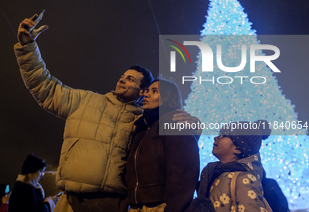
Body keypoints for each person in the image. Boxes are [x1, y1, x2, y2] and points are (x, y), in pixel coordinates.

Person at [15, 14, 194, 212]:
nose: (123, 80)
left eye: (131, 79)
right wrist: (28, 48)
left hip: (114, 205)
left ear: (141, 91)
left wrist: (193, 124)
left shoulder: (143, 122)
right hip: (71, 203)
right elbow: (45, 87)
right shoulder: (84, 101)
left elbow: (172, 148)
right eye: (123, 76)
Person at [126, 79, 200, 212]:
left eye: (155, 91)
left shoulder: (175, 122)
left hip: (160, 206)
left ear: (168, 97)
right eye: (147, 91)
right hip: (136, 206)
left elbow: (183, 174)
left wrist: (174, 208)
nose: (147, 94)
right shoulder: (142, 127)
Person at [197, 120, 271, 212]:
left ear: (237, 148)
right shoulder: (215, 173)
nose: (216, 138)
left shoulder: (244, 178)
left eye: (223, 136)